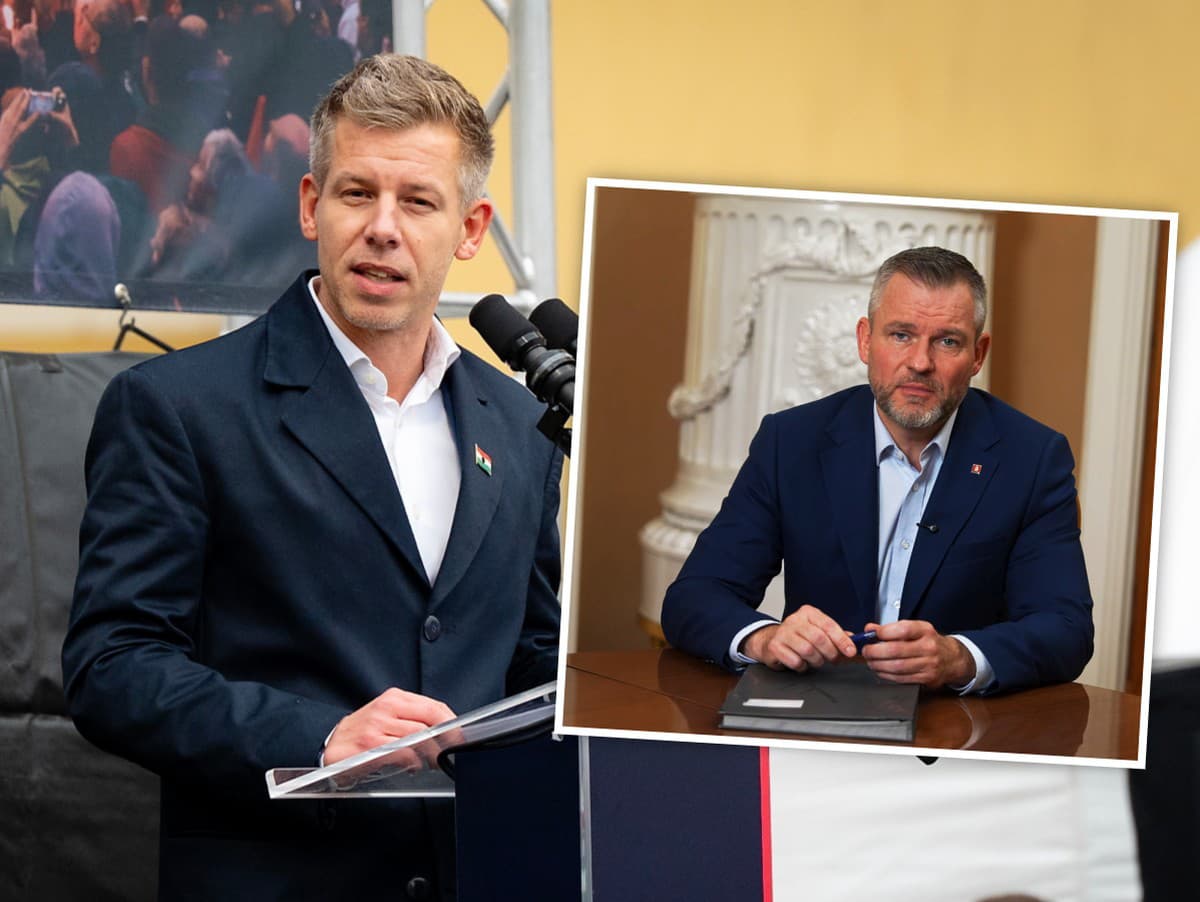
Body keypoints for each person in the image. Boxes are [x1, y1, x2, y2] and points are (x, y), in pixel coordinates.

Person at [63, 53, 562, 899]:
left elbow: (532, 663)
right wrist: (320, 739)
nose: (383, 228)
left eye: (419, 201)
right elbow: (112, 667)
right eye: (357, 192)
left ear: (471, 228)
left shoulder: (521, 426)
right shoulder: (178, 406)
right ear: (310, 205)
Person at [661, 246, 1093, 695]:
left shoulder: (1032, 458)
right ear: (865, 340)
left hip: (955, 719)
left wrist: (959, 657)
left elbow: (1066, 629)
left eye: (947, 341)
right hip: (818, 707)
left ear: (978, 354)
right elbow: (694, 597)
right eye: (901, 335)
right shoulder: (791, 442)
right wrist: (765, 638)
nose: (920, 363)